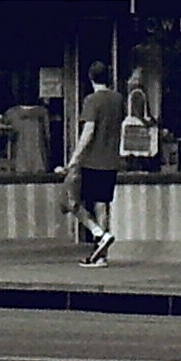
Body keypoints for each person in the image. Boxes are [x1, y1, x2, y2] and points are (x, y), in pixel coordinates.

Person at [62, 63, 125, 266]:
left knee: (72, 202)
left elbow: (88, 131)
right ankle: (101, 254)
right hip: (111, 160)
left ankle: (98, 234)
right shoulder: (118, 99)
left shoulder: (91, 100)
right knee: (102, 204)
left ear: (90, 78)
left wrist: (75, 158)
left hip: (92, 160)